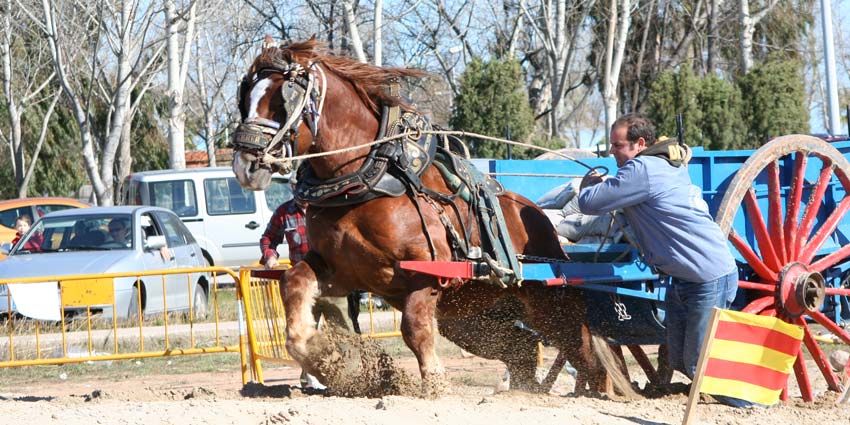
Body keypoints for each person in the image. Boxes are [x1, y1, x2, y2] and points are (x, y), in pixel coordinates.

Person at [577, 114, 748, 407]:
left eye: (617, 145)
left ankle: (751, 405)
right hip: (684, 278)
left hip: (707, 277)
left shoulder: (642, 169)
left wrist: (587, 184)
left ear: (640, 143)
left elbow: (590, 203)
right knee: (680, 359)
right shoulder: (662, 164)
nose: (611, 152)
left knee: (696, 364)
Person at [259, 197, 358, 390]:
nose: (302, 194)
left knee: (344, 330)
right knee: (301, 334)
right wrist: (269, 256)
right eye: (297, 188)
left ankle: (353, 376)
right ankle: (310, 380)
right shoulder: (284, 212)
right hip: (302, 286)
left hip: (331, 281)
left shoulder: (327, 207)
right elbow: (268, 238)